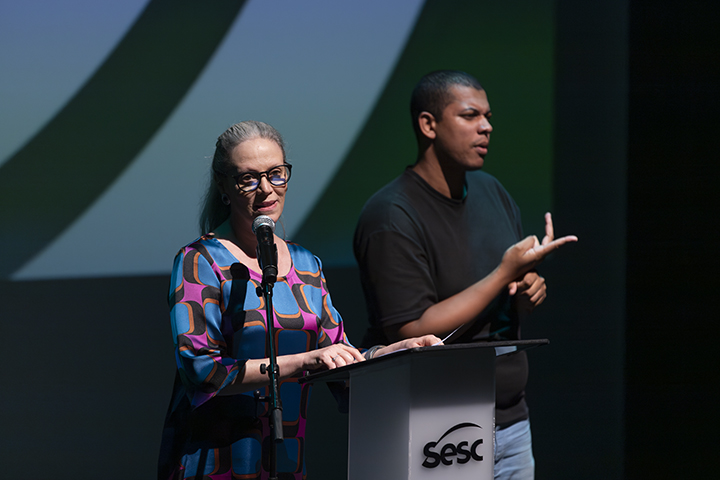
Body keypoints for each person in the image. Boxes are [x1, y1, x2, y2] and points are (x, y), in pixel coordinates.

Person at [157, 120, 441, 480]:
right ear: (223, 185)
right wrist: (305, 360)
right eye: (248, 178)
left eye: (276, 174)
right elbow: (202, 370)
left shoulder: (307, 264)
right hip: (217, 465)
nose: (266, 189)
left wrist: (397, 352)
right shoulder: (200, 260)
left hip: (286, 461)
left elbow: (339, 360)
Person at [353, 70, 577, 479]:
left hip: (511, 419)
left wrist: (522, 294)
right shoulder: (391, 215)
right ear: (428, 125)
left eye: (488, 116)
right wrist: (503, 272)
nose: (486, 126)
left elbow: (495, 307)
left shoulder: (491, 190)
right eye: (471, 115)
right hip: (435, 425)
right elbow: (410, 330)